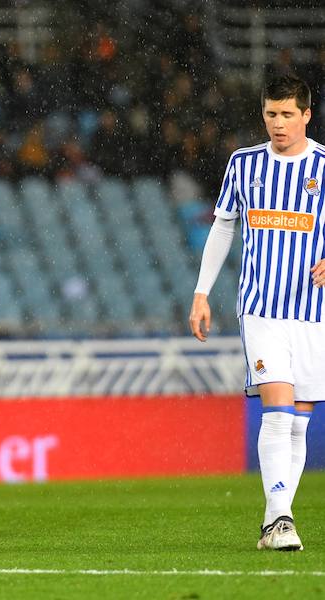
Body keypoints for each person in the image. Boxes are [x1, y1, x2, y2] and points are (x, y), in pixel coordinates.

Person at [189, 74, 325, 551]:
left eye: (288, 114)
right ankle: (281, 519)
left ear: (307, 115)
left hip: (314, 313)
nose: (279, 124)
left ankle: (275, 521)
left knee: (299, 422)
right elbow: (224, 228)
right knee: (278, 410)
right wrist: (202, 293)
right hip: (262, 309)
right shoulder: (244, 164)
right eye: (271, 114)